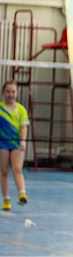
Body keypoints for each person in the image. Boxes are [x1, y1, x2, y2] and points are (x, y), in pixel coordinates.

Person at [0, 80, 29, 211]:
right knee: (4, 171)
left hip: (16, 143)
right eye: (8, 91)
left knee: (17, 169)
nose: (10, 94)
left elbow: (23, 127)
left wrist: (23, 140)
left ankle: (22, 193)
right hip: (2, 144)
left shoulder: (21, 109)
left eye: (13, 91)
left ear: (16, 93)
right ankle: (6, 199)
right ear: (3, 93)